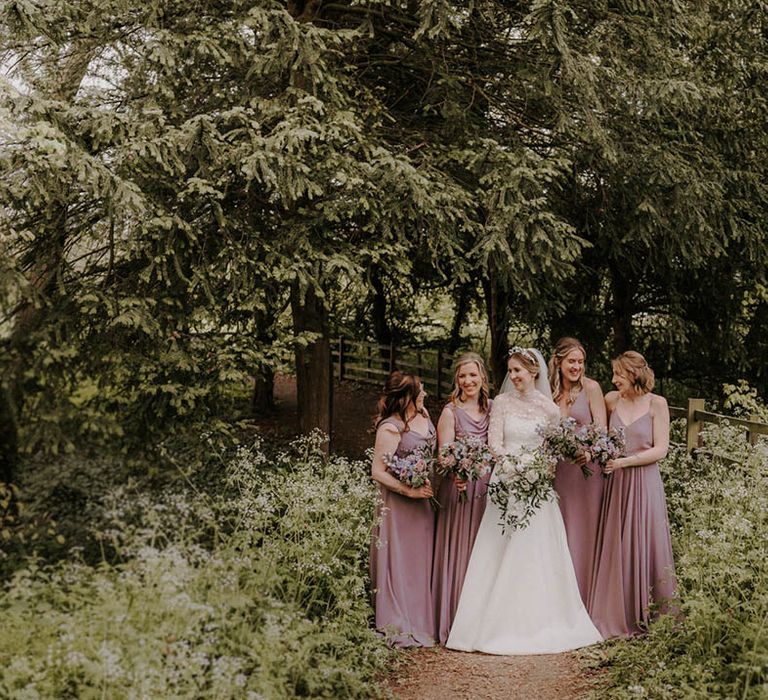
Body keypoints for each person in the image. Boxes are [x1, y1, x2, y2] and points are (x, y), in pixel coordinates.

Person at [446, 347, 602, 654]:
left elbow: (552, 452)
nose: (513, 376)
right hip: (505, 482)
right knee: (497, 550)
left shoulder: (550, 410)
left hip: (537, 489)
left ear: (534, 372)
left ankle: (535, 622)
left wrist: (537, 469)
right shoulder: (501, 403)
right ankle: (486, 624)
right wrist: (513, 466)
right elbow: (494, 444)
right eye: (511, 371)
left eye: (518, 370)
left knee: (534, 552)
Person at [588, 351, 677, 638]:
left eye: (618, 374)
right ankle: (617, 611)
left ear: (634, 374)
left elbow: (661, 449)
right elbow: (599, 435)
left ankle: (651, 610)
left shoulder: (657, 404)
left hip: (644, 481)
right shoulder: (612, 401)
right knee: (618, 542)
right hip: (616, 484)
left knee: (646, 540)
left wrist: (625, 461)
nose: (613, 380)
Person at [370, 371, 437, 647]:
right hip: (399, 504)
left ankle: (424, 619)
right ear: (407, 396)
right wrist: (408, 489)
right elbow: (377, 472)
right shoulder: (391, 427)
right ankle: (402, 621)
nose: (424, 394)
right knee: (401, 560)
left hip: (425, 503)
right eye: (420, 390)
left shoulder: (423, 415)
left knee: (421, 559)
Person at [432, 352, 493, 644]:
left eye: (473, 375)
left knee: (484, 552)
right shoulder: (450, 411)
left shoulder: (493, 409)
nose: (468, 381)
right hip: (460, 487)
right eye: (462, 376)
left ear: (482, 377)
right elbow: (443, 455)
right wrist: (457, 470)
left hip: (488, 490)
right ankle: (454, 620)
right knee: (460, 550)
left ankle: (481, 622)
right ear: (456, 380)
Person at [549, 337, 607, 606]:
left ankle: (587, 597)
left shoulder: (592, 388)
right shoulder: (549, 391)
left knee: (585, 532)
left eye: (581, 362)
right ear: (558, 361)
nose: (577, 367)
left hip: (587, 472)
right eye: (571, 361)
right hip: (558, 474)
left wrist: (589, 452)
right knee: (559, 530)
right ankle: (561, 599)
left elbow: (602, 431)